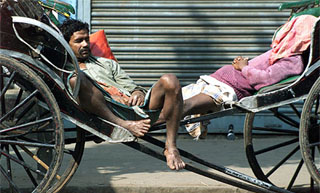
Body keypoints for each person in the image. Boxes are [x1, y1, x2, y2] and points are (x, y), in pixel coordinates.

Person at [59, 19, 185, 170]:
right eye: (79, 41)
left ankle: (171, 147)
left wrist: (137, 93)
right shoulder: (64, 70)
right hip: (107, 114)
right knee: (77, 79)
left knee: (170, 80)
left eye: (87, 39)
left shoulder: (107, 63)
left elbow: (132, 86)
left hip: (134, 108)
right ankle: (125, 125)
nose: (85, 44)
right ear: (66, 44)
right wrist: (111, 97)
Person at [180, 14, 318, 139]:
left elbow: (265, 79)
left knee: (179, 105)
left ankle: (170, 145)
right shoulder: (282, 53)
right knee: (171, 96)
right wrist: (242, 64)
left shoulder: (291, 62)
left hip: (227, 88)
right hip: (216, 81)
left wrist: (243, 67)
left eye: (291, 33)